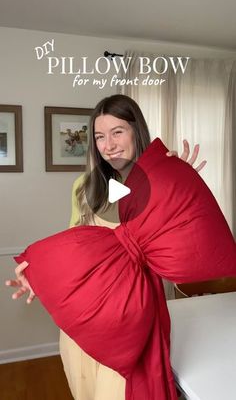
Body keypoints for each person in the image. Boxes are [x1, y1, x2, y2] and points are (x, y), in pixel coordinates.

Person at [6, 94, 206, 400]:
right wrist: (39, 277)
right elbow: (74, 249)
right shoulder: (84, 187)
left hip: (134, 321)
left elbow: (186, 247)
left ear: (136, 131)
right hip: (86, 321)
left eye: (117, 132)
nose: (108, 144)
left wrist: (179, 183)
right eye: (100, 136)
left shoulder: (161, 184)